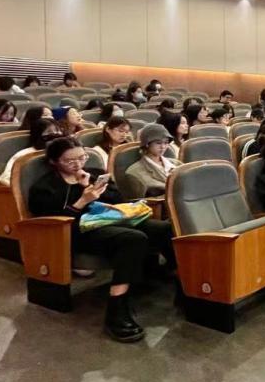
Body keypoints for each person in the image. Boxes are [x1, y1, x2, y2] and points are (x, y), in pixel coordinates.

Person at [28, 137, 175, 342]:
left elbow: (119, 201)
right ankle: (116, 308)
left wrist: (89, 186)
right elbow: (53, 221)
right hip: (77, 231)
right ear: (54, 161)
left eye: (82, 158)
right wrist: (82, 200)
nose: (78, 164)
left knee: (165, 229)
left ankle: (176, 277)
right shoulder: (46, 187)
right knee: (132, 239)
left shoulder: (95, 174)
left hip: (108, 221)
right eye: (70, 161)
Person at [0, 117, 64, 186]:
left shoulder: (65, 152)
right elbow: (5, 179)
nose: (55, 135)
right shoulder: (24, 155)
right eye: (49, 133)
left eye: (57, 131)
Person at [124, 123, 180, 198]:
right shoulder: (134, 172)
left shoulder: (177, 163)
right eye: (158, 143)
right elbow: (150, 194)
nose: (163, 147)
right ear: (147, 144)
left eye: (166, 143)